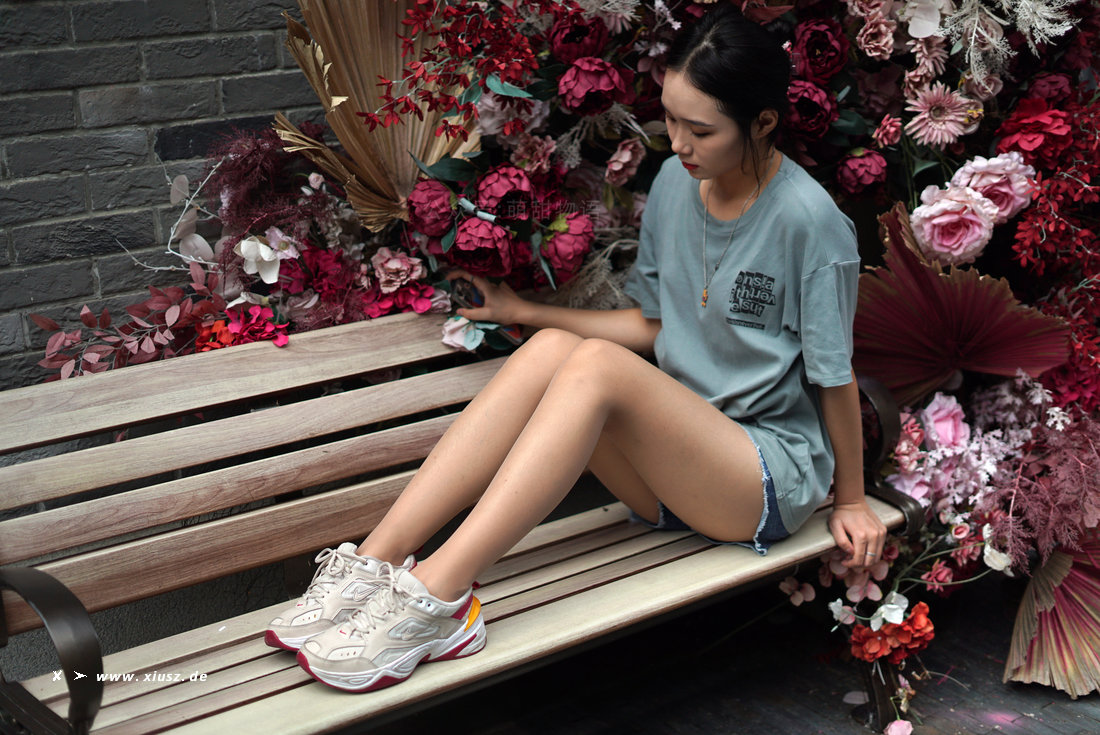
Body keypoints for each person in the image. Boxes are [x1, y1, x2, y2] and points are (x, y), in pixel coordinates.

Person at [264, 4, 888, 693]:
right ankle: (374, 562)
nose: (680, 143)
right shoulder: (677, 185)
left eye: (702, 130)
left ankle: (439, 595)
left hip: (760, 476)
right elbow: (656, 327)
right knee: (554, 346)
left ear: (763, 123)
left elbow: (833, 375)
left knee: (592, 365)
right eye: (672, 120)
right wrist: (524, 313)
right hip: (673, 468)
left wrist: (851, 500)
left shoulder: (811, 223)